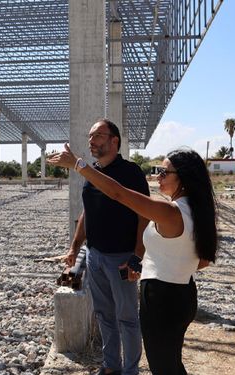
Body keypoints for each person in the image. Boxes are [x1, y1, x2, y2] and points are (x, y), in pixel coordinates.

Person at [49, 144, 217, 375]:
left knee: (164, 367)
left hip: (161, 299)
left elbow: (118, 193)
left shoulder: (170, 211)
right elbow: (201, 260)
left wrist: (78, 164)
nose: (159, 176)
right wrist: (154, 266)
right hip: (183, 293)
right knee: (170, 363)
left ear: (184, 178)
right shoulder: (197, 210)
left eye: (165, 172)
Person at [63, 119, 149, 375]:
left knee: (127, 319)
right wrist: (75, 248)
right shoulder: (93, 173)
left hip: (121, 257)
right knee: (104, 315)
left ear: (115, 141)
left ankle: (130, 370)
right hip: (95, 256)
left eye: (98, 136)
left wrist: (137, 256)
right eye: (90, 136)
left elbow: (144, 215)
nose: (91, 141)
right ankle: (111, 365)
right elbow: (87, 214)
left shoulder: (131, 172)